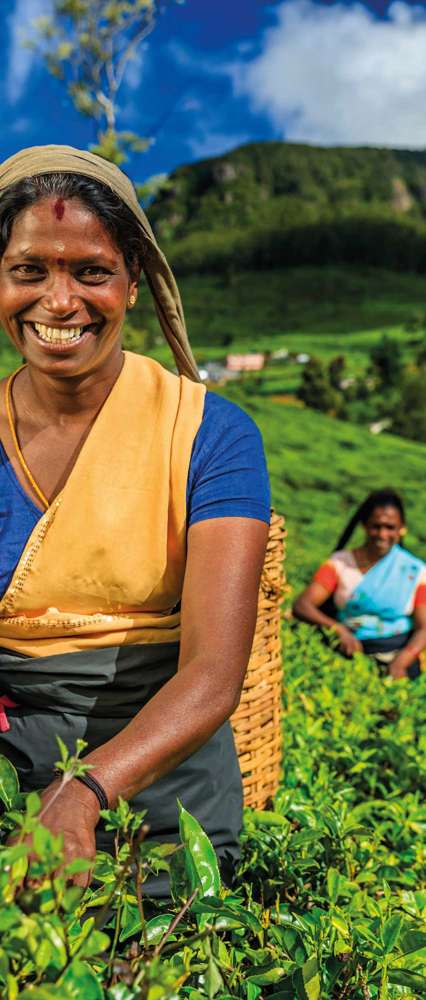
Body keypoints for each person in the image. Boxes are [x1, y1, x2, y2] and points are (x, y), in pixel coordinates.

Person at [0, 145, 270, 892]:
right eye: (29, 270)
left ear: (134, 284)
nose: (59, 302)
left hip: (159, 774)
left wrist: (83, 792)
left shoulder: (210, 434)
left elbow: (215, 676)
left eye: (91, 271)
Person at [293, 489, 426, 680]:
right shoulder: (340, 563)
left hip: (398, 656)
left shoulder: (416, 571)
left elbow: (424, 627)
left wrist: (402, 661)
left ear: (401, 528)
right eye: (376, 526)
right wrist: (338, 630)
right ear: (364, 525)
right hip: (346, 652)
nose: (382, 534)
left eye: (390, 527)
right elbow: (302, 605)